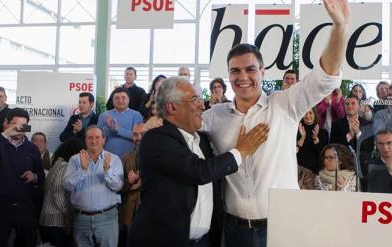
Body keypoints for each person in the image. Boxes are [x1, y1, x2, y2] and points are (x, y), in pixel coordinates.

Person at [202, 1, 349, 246]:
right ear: (228, 75)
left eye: (250, 69)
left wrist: (340, 28)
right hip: (233, 229)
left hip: (282, 228)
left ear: (263, 72)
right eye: (235, 71)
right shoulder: (214, 116)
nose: (243, 77)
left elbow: (325, 77)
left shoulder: (284, 104)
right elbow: (181, 130)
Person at [128, 77, 269, 247]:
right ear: (172, 107)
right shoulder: (156, 139)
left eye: (201, 99)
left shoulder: (201, 140)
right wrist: (241, 150)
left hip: (204, 242)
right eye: (195, 100)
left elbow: (215, 171)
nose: (202, 106)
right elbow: (199, 171)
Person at [0, 108, 45, 247]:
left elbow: (41, 177)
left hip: (26, 207)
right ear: (6, 123)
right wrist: (5, 135)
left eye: (23, 126)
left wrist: (34, 176)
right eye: (15, 125)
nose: (19, 129)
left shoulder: (32, 148)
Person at [63, 125, 124, 247]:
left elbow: (118, 186)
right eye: (90, 138)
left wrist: (107, 171)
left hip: (107, 219)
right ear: (85, 140)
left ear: (104, 139)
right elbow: (67, 185)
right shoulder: (75, 160)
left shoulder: (114, 159)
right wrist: (82, 170)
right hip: (81, 219)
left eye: (97, 137)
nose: (94, 141)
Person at [39, 137, 85, 247]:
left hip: (47, 219)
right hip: (56, 221)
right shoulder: (65, 166)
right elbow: (58, 191)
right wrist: (66, 214)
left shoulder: (57, 164)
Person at [120, 123, 147, 244]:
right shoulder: (124, 158)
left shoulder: (159, 157)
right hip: (129, 213)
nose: (139, 138)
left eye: (143, 134)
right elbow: (117, 185)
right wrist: (129, 184)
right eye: (135, 134)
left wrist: (143, 181)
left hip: (150, 213)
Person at [98, 87, 143, 157]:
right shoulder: (104, 115)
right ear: (112, 100)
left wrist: (118, 130)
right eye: (117, 98)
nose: (120, 100)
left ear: (128, 99)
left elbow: (138, 137)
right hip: (107, 156)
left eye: (123, 97)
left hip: (129, 158)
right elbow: (98, 138)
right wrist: (107, 127)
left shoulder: (136, 115)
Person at [297, 107, 329, 174]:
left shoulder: (323, 133)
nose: (308, 116)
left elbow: (322, 154)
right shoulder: (296, 132)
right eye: (305, 113)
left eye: (310, 113)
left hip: (315, 172)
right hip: (298, 171)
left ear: (315, 115)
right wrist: (303, 137)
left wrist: (315, 138)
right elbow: (294, 152)